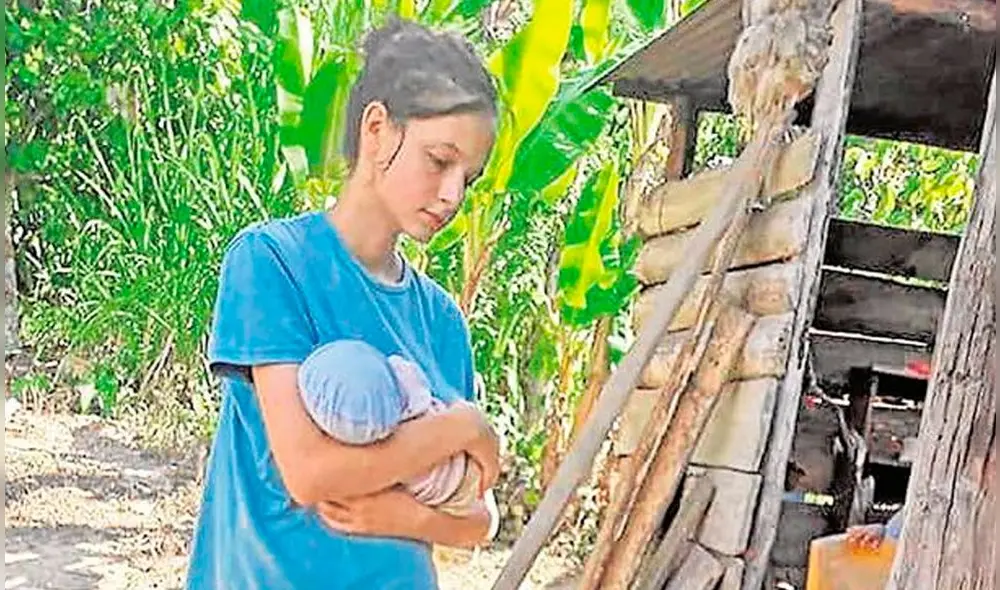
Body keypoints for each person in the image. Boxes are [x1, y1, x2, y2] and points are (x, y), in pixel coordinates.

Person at [185, 17, 502, 590]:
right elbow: (310, 473)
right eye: (439, 160)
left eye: (469, 178)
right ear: (377, 129)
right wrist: (465, 427)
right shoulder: (272, 261)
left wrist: (404, 517)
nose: (453, 194)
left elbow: (479, 516)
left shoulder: (442, 321)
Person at [296, 338, 482, 516]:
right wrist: (466, 427)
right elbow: (309, 482)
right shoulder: (406, 392)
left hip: (448, 491)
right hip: (462, 476)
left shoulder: (364, 443)